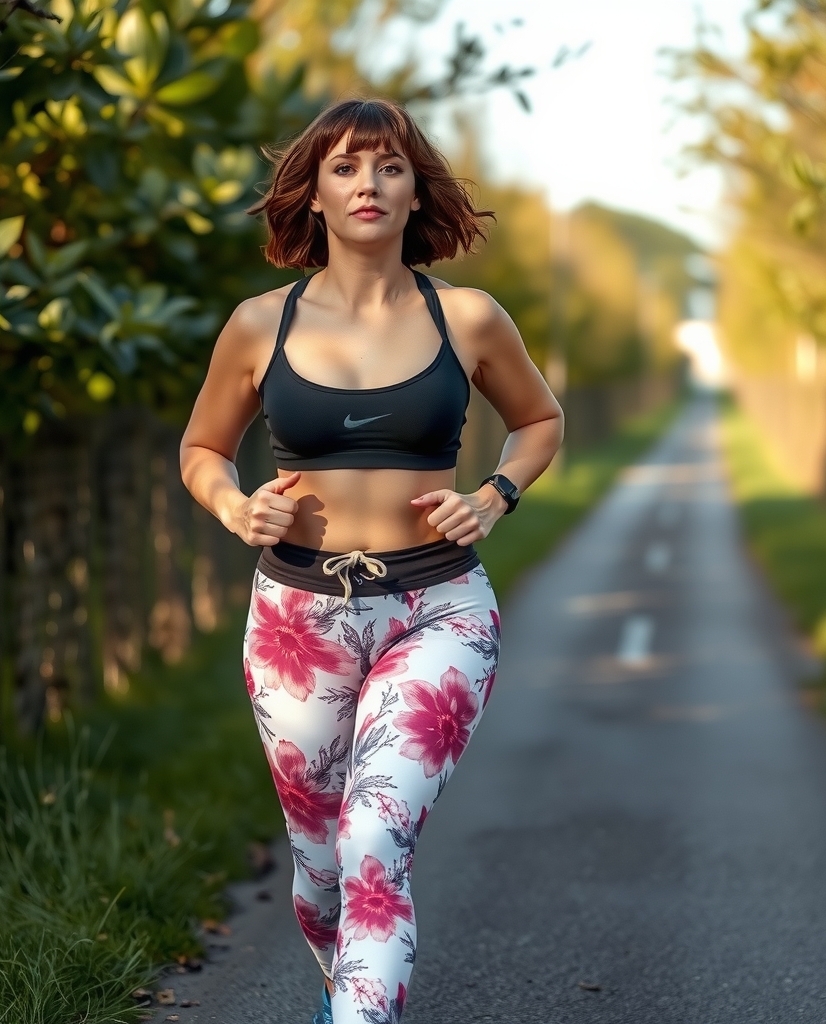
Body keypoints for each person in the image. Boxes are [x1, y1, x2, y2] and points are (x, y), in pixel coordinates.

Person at [180, 97, 563, 1024]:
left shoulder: (468, 318)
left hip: (439, 609)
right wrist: (236, 505)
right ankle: (345, 984)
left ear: (413, 189)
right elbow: (202, 450)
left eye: (389, 168)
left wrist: (493, 496)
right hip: (295, 621)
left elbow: (540, 421)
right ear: (313, 193)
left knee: (373, 841)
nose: (368, 184)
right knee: (319, 872)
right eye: (347, 167)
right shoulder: (257, 325)